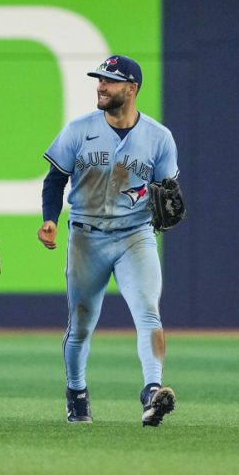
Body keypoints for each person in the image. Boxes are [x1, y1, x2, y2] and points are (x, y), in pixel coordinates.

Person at [37, 55, 180, 426]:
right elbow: (54, 180)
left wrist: (167, 201)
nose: (101, 86)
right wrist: (50, 221)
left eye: (110, 81)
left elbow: (169, 190)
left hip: (136, 236)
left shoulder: (159, 137)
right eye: (100, 79)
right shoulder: (79, 129)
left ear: (131, 89)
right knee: (81, 324)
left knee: (149, 313)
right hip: (86, 237)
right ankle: (77, 392)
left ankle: (152, 391)